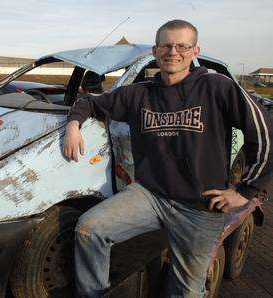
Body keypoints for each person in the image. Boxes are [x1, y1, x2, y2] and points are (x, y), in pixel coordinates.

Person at [63, 19, 272, 297]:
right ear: (155, 50)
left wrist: (247, 190)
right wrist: (73, 125)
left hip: (200, 207)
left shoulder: (216, 87)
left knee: (186, 291)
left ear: (195, 51)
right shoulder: (139, 94)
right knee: (90, 229)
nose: (173, 52)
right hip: (151, 195)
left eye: (182, 46)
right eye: (166, 45)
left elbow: (265, 132)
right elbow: (90, 101)